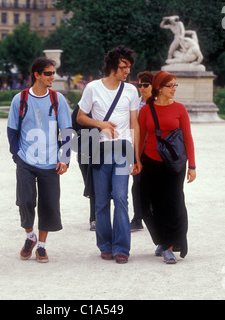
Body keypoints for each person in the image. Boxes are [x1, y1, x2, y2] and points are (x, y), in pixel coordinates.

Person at [76, 45, 142, 264]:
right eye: (123, 67)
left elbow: (135, 124)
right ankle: (105, 245)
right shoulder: (93, 88)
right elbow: (80, 117)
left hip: (123, 150)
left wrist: (136, 157)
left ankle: (122, 247)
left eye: (129, 67)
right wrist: (100, 124)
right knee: (102, 201)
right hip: (99, 149)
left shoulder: (131, 91)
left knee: (121, 198)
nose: (127, 72)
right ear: (112, 66)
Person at [7, 57, 72, 263]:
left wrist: (65, 158)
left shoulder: (58, 99)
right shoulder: (20, 99)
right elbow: (12, 130)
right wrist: (16, 155)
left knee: (49, 204)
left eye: (53, 73)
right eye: (49, 73)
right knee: (25, 201)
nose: (53, 76)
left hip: (51, 161)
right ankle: (30, 236)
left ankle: (42, 246)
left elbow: (67, 131)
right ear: (37, 75)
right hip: (26, 160)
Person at [138, 70, 196, 264]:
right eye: (170, 86)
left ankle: (170, 246)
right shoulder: (146, 109)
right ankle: (161, 240)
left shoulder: (180, 108)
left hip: (174, 164)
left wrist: (192, 166)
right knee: (149, 204)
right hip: (150, 161)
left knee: (173, 203)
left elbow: (188, 138)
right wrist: (136, 161)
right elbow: (141, 137)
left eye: (175, 85)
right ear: (159, 88)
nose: (174, 89)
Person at [130, 71, 154, 231]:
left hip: (153, 149)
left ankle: (151, 214)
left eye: (146, 85)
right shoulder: (136, 104)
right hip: (138, 149)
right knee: (137, 184)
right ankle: (137, 217)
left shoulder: (157, 104)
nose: (142, 88)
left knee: (152, 185)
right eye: (140, 85)